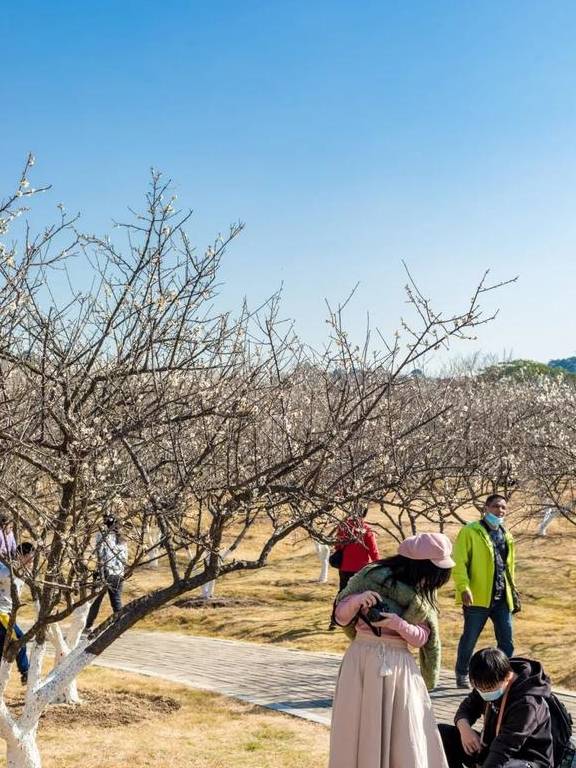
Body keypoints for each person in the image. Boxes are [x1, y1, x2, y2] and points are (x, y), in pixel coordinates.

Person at [329, 532, 455, 768]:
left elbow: (421, 639)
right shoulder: (369, 576)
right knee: (357, 727)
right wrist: (358, 599)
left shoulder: (422, 592)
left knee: (405, 732)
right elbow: (340, 617)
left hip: (399, 666)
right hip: (362, 660)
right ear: (420, 565)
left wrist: (396, 623)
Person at [439, 647, 554, 768]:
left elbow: (504, 749)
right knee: (442, 734)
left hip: (524, 758)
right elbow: (466, 709)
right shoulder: (486, 679)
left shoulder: (527, 704)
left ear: (507, 676)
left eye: (488, 689)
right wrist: (464, 729)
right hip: (493, 747)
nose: (484, 693)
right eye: (479, 689)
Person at [453, 494, 517, 689]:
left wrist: (513, 592)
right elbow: (460, 562)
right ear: (486, 508)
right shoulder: (470, 531)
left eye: (504, 507)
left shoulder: (507, 534)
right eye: (496, 506)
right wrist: (463, 587)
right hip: (477, 597)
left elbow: (509, 567)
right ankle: (462, 672)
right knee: (470, 638)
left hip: (501, 598)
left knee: (507, 641)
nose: (500, 511)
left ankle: (499, 676)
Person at [327, 508, 380, 630]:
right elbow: (373, 551)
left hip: (345, 567)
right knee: (363, 595)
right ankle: (359, 620)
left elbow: (337, 546)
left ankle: (334, 620)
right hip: (361, 570)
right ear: (365, 514)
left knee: (342, 593)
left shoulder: (343, 528)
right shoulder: (366, 530)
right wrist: (378, 565)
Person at [85, 515, 128, 630]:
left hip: (104, 572)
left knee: (95, 601)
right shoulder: (123, 539)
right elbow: (125, 558)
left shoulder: (102, 535)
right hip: (118, 573)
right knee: (116, 601)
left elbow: (100, 554)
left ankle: (88, 625)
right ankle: (119, 626)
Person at [0, 542, 35, 684]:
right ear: (21, 556)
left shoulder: (26, 571)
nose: (32, 562)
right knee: (18, 640)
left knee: (5, 645)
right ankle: (26, 672)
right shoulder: (7, 570)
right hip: (1, 612)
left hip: (8, 613)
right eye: (30, 558)